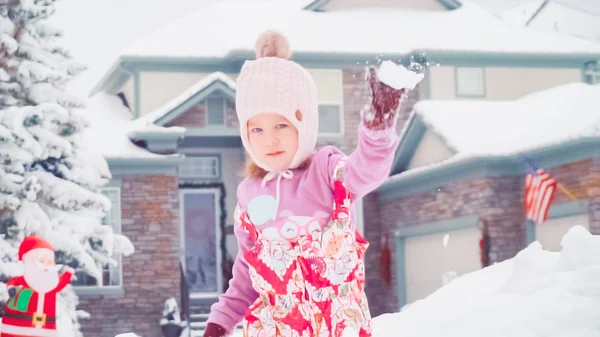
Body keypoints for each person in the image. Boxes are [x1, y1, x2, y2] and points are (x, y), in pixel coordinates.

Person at [204, 30, 406, 337]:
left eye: (281, 124)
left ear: (304, 123)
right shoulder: (249, 194)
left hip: (339, 326)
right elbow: (248, 270)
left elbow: (365, 173)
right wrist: (220, 321)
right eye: (256, 129)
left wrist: (377, 129)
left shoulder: (325, 170)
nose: (269, 138)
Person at [1, 235, 74, 337]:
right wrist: (11, 288)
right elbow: (13, 281)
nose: (46, 265)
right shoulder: (25, 281)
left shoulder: (52, 284)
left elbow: (61, 282)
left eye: (49, 262)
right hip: (19, 329)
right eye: (42, 261)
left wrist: (68, 274)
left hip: (45, 329)